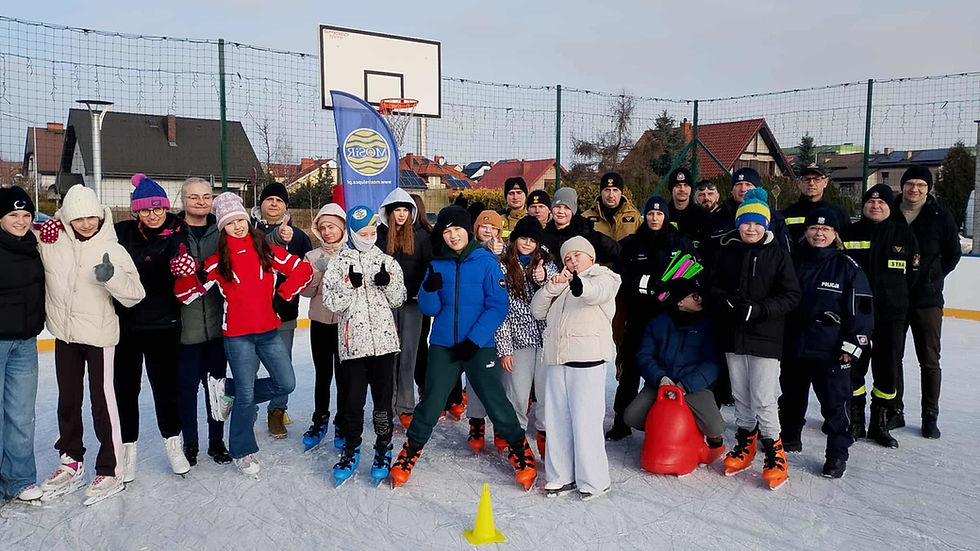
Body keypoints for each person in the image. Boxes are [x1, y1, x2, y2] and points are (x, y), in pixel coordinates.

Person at [390, 206, 536, 490]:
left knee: (495, 400)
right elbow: (430, 308)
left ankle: (521, 451)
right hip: (444, 345)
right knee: (431, 403)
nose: (453, 236)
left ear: (467, 231)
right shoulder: (437, 263)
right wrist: (429, 289)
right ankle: (409, 453)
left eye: (457, 230)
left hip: (478, 345)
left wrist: (474, 340)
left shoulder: (485, 262)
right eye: (446, 231)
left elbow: (497, 305)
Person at [176, 192, 311, 476]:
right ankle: (242, 450)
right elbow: (187, 294)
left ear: (247, 220)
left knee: (285, 383)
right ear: (222, 227)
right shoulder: (217, 261)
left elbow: (302, 270)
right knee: (247, 395)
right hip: (237, 336)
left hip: (269, 332)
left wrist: (283, 294)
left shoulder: (266, 250)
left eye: (240, 220)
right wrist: (184, 272)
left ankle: (225, 390)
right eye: (229, 223)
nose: (237, 226)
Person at [36, 184, 146, 504]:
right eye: (78, 218)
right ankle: (71, 460)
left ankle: (110, 468)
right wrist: (44, 229)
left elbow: (134, 294)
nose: (86, 224)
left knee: (103, 404)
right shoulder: (51, 242)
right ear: (67, 218)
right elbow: (19, 234)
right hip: (64, 334)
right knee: (68, 400)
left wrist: (111, 277)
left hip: (99, 337)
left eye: (91, 217)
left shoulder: (111, 247)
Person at [706, 188, 800, 490]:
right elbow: (712, 286)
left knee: (763, 398)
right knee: (741, 396)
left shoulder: (779, 256)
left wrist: (759, 309)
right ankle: (745, 445)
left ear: (766, 225)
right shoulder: (727, 252)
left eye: (758, 223)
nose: (751, 228)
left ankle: (775, 452)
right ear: (738, 224)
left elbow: (791, 296)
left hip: (766, 337)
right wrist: (727, 301)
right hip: (734, 336)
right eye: (746, 222)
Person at [779, 208, 874, 479]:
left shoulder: (847, 266)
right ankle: (790, 437)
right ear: (805, 232)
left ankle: (836, 455)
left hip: (831, 350)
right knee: (792, 397)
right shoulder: (792, 261)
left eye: (826, 230)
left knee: (835, 404)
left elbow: (862, 310)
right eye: (813, 228)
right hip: (795, 345)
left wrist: (852, 345)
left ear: (835, 235)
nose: (819, 234)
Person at [530, 236, 621, 500]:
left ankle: (594, 480)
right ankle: (560, 476)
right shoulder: (562, 283)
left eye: (577, 256)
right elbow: (537, 310)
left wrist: (575, 282)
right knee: (556, 421)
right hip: (557, 360)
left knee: (586, 422)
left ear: (590, 258)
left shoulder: (605, 277)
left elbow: (595, 293)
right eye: (568, 258)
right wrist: (550, 287)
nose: (572, 261)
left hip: (588, 359)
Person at [113, 174, 191, 481]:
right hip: (126, 326)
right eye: (146, 210)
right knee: (126, 390)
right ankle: (127, 449)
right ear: (136, 212)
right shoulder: (122, 233)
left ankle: (173, 444)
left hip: (163, 324)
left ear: (165, 207)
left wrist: (182, 269)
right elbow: (86, 232)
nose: (153, 214)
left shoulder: (178, 231)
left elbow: (184, 256)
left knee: (165, 389)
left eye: (158, 208)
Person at [322, 205, 406, 485]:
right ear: (352, 233)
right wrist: (348, 284)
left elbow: (398, 298)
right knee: (353, 402)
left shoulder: (387, 261)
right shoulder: (338, 263)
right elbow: (331, 302)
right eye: (362, 233)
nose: (368, 237)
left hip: (383, 345)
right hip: (353, 347)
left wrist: (388, 283)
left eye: (372, 232)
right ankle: (351, 448)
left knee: (382, 404)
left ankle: (383, 448)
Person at [607, 196, 697, 441]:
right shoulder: (632, 243)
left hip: (670, 319)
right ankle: (621, 420)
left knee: (669, 368)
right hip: (638, 316)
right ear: (644, 216)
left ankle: (673, 421)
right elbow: (621, 277)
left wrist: (673, 293)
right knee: (630, 370)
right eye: (650, 214)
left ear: (666, 216)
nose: (654, 218)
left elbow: (691, 276)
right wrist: (646, 284)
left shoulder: (680, 242)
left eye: (659, 214)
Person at [841, 184, 918, 447]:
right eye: (870, 202)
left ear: (890, 206)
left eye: (882, 202)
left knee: (887, 370)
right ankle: (855, 419)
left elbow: (913, 276)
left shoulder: (903, 234)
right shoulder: (849, 233)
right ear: (863, 206)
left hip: (891, 316)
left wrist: (898, 302)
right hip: (856, 315)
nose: (875, 206)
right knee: (853, 367)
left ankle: (880, 422)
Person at [477, 215, 558, 459]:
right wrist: (505, 348)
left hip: (545, 340)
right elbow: (499, 309)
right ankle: (515, 436)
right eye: (523, 238)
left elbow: (557, 294)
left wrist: (544, 281)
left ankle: (544, 435)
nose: (527, 244)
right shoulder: (500, 265)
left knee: (545, 393)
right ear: (515, 239)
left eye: (533, 240)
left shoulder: (548, 265)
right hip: (518, 339)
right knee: (518, 393)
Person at [626, 276, 726, 464]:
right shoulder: (658, 323)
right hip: (661, 385)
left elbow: (712, 363)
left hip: (693, 387)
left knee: (714, 427)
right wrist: (660, 378)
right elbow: (644, 355)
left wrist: (686, 385)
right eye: (694, 296)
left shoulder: (707, 325)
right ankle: (667, 434)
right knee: (632, 416)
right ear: (680, 301)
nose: (700, 299)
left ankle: (710, 441)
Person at [894, 165, 961, 438]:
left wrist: (932, 276)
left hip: (927, 300)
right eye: (911, 183)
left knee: (929, 360)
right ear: (903, 185)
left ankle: (929, 415)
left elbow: (953, 255)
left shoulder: (940, 216)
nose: (915, 189)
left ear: (928, 188)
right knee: (892, 357)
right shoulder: (891, 211)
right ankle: (893, 410)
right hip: (895, 298)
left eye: (921, 185)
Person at [174, 178, 232, 465]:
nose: (200, 202)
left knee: (216, 388)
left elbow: (253, 244)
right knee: (186, 390)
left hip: (217, 330)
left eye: (206, 197)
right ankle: (190, 443)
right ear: (183, 199)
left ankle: (216, 441)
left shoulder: (221, 230)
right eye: (194, 197)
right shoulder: (172, 231)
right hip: (184, 330)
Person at [251, 182, 313, 438]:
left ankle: (277, 411)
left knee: (281, 368)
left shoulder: (298, 236)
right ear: (261, 204)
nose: (274, 203)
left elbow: (307, 272)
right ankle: (247, 411)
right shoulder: (246, 231)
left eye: (279, 200)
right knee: (249, 367)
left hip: (283, 315)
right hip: (250, 316)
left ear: (286, 206)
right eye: (269, 199)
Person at [0, 186, 45, 502]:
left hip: (26, 341)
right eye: (13, 215)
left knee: (21, 414)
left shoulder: (35, 244)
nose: (21, 221)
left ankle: (19, 479)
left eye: (26, 214)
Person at [377, 188, 433, 430]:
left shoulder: (421, 236)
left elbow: (430, 267)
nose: (400, 215)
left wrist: (424, 288)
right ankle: (386, 405)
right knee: (389, 356)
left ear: (410, 212)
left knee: (409, 355)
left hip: (412, 304)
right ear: (389, 213)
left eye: (404, 210)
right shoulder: (380, 236)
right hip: (386, 305)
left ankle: (406, 406)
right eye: (396, 210)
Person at [298, 202, 347, 451]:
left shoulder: (352, 254)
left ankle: (342, 421)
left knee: (344, 375)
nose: (328, 232)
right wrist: (318, 271)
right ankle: (320, 419)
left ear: (342, 228)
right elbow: (306, 292)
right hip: (319, 322)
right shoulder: (312, 256)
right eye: (323, 227)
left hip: (344, 323)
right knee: (323, 375)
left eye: (332, 227)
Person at [704, 167, 790, 260]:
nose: (743, 189)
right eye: (738, 184)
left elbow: (786, 251)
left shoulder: (774, 217)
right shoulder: (717, 216)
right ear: (732, 190)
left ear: (756, 189)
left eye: (748, 184)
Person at [543, 187, 620, 269]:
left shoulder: (586, 232)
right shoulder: (544, 235)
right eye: (557, 206)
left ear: (573, 211)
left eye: (567, 208)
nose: (561, 211)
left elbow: (615, 251)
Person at [780, 163, 850, 244]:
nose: (811, 183)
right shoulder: (786, 214)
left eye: (817, 179)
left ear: (825, 182)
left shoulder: (839, 213)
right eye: (806, 179)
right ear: (799, 183)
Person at [582, 172, 642, 242]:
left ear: (621, 193)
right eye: (607, 190)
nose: (611, 195)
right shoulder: (585, 218)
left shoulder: (635, 218)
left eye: (615, 190)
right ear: (601, 192)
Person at [666, 168, 710, 247]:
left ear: (691, 189)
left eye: (686, 185)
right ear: (671, 189)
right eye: (677, 185)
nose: (682, 189)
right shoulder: (663, 215)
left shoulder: (702, 215)